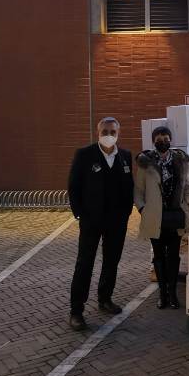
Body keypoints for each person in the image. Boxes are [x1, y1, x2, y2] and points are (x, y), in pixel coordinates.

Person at [67, 117, 134, 331]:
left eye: (112, 132)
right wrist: (80, 214)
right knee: (84, 264)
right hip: (91, 221)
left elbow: (128, 187)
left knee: (111, 261)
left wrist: (125, 214)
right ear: (98, 133)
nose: (108, 135)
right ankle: (76, 311)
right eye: (105, 131)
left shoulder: (125, 156)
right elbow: (73, 186)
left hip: (116, 221)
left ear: (118, 133)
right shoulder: (84, 155)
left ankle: (105, 299)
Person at [135, 126, 189, 309]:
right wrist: (143, 210)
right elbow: (138, 191)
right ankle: (162, 294)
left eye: (166, 138)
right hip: (155, 217)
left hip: (175, 215)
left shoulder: (180, 161)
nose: (163, 142)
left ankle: (173, 294)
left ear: (171, 140)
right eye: (159, 139)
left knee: (174, 256)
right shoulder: (146, 163)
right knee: (158, 256)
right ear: (153, 141)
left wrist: (187, 206)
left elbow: (187, 186)